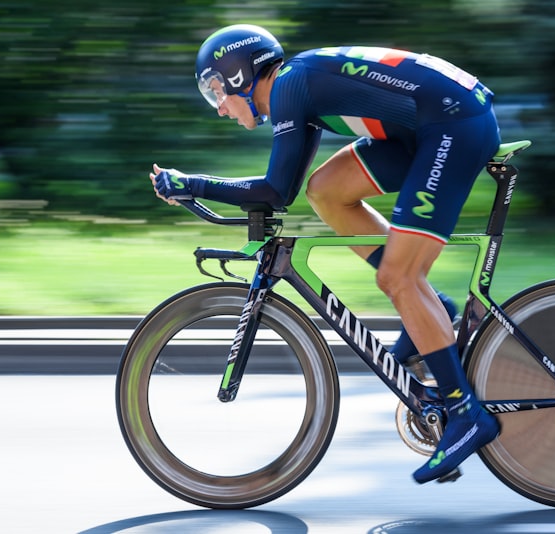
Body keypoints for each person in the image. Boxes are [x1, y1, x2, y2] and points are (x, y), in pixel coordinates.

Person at [150, 24, 501, 484]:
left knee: (397, 278)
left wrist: (192, 183)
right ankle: (431, 304)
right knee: (327, 191)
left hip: (454, 126)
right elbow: (290, 189)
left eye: (217, 90)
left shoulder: (292, 85)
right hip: (432, 124)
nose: (219, 107)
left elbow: (272, 191)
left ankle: (465, 413)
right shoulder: (297, 89)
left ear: (238, 75)